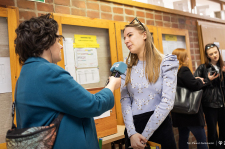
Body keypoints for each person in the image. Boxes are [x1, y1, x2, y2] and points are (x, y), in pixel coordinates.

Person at [14, 13, 121, 149]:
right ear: (46, 41)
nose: (61, 46)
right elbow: (94, 104)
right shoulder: (48, 72)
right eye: (58, 40)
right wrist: (111, 85)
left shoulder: (26, 72)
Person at [120, 17, 178, 149]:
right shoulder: (126, 66)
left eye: (130, 35)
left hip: (158, 128)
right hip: (133, 130)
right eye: (124, 38)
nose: (126, 41)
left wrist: (144, 136)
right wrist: (132, 133)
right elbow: (125, 100)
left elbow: (167, 102)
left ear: (144, 35)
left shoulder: (166, 62)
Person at [194, 43, 225, 149]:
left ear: (218, 52)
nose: (214, 55)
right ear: (207, 55)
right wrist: (208, 80)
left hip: (224, 104)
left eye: (215, 52)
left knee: (224, 131)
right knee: (212, 132)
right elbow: (195, 84)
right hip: (210, 105)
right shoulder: (202, 68)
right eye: (211, 54)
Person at [171, 48, 208, 149]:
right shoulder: (184, 69)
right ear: (182, 58)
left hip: (178, 111)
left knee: (183, 137)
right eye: (186, 56)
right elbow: (194, 86)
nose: (188, 58)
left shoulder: (172, 71)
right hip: (190, 113)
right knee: (201, 139)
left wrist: (194, 79)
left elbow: (184, 83)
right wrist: (200, 81)